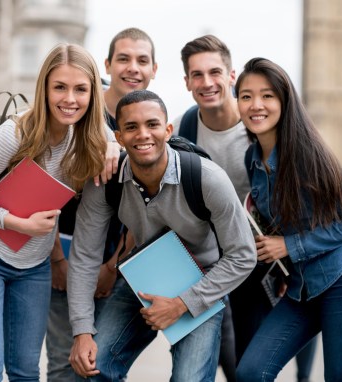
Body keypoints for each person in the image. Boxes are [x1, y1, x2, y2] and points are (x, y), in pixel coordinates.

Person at [0, 43, 120, 382]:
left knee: (26, 373)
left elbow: (105, 131)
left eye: (80, 89)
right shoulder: (14, 135)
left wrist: (113, 143)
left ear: (93, 94)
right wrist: (19, 224)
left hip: (33, 267)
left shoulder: (87, 137)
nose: (69, 99)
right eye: (60, 87)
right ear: (44, 88)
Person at [67, 89, 256, 381]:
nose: (143, 134)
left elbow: (243, 255)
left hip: (202, 281)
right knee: (95, 365)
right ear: (118, 137)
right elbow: (84, 256)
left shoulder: (208, 178)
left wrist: (182, 303)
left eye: (152, 125)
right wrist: (82, 331)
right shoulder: (106, 182)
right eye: (131, 127)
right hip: (143, 279)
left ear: (167, 130)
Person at [174, 34, 318, 381]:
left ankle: (304, 375)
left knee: (296, 317)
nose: (207, 83)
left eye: (215, 72)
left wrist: (289, 255)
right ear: (187, 81)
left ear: (231, 75)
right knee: (239, 357)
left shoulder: (258, 126)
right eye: (197, 75)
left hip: (269, 249)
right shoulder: (185, 126)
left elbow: (295, 191)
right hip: (219, 253)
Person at [234, 57, 342, 381]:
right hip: (300, 286)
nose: (255, 105)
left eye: (267, 95)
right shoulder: (252, 158)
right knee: (250, 372)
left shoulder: (306, 153)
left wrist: (290, 246)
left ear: (284, 101)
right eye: (246, 96)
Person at [46, 27, 157, 381]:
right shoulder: (76, 112)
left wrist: (113, 266)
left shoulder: (151, 124)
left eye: (142, 60)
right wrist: (58, 261)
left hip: (117, 261)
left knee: (104, 364)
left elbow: (150, 208)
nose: (132, 68)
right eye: (123, 59)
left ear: (154, 69)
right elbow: (44, 187)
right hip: (60, 250)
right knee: (64, 362)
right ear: (107, 65)